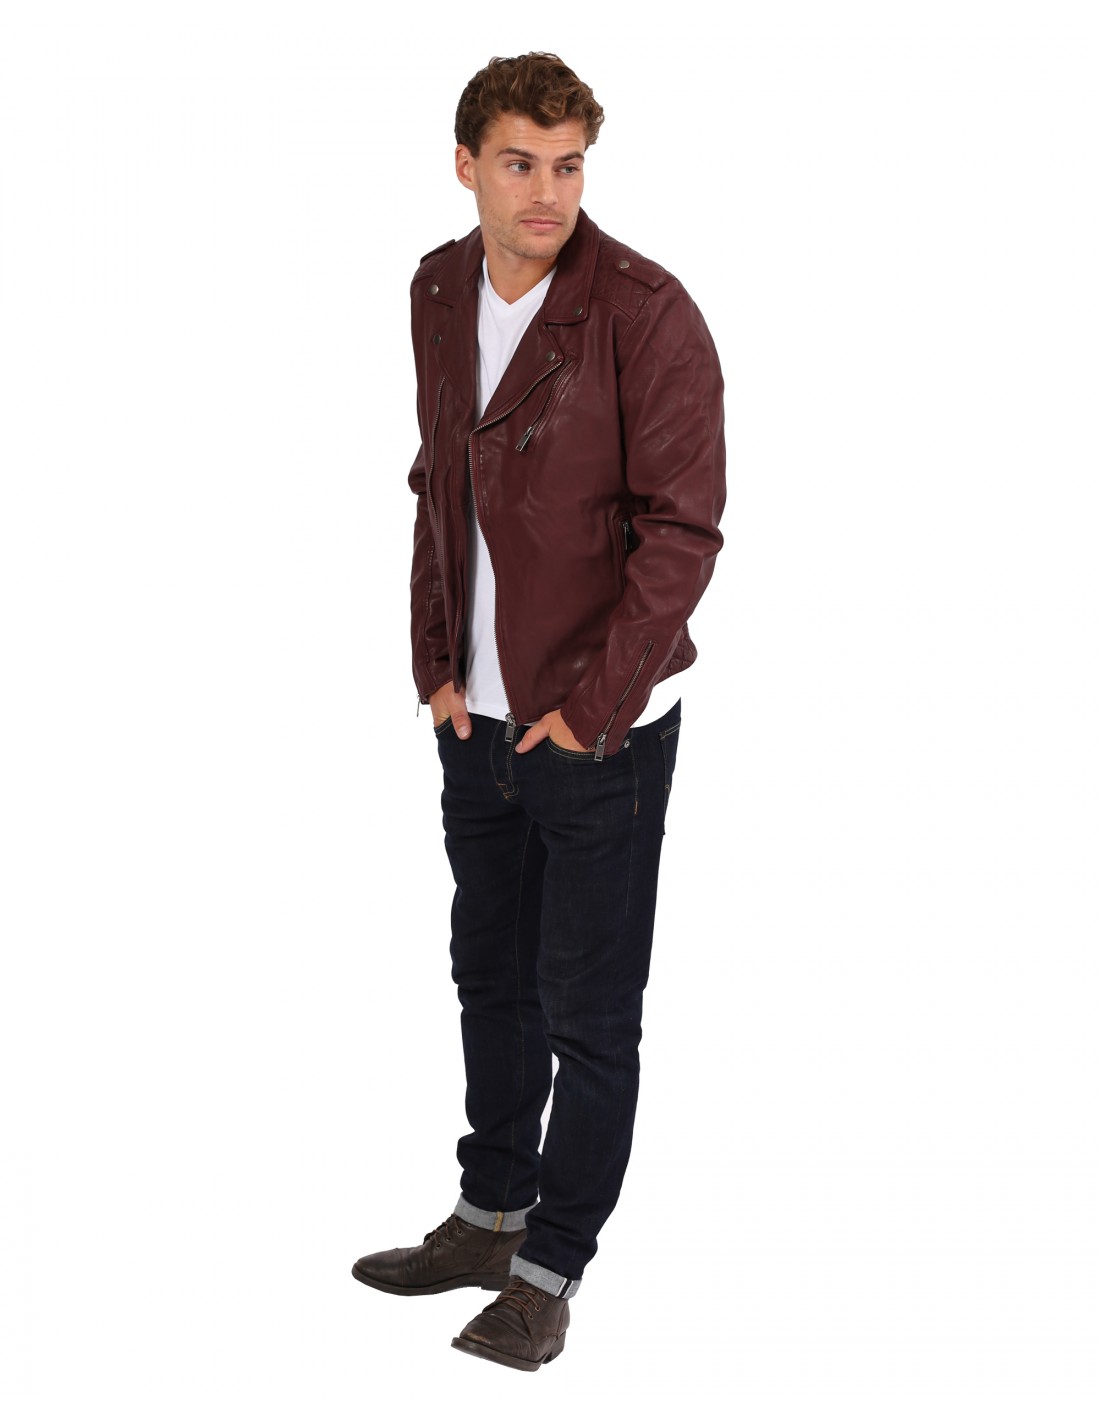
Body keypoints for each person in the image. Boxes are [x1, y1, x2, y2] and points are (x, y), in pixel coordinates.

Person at [353, 51, 725, 1372]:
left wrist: (587, 710)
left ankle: (549, 1267)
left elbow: (683, 531)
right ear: (467, 164)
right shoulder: (437, 288)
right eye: (520, 162)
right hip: (479, 721)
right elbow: (434, 480)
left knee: (588, 1007)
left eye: (569, 165)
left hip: (598, 728)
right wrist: (436, 665)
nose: (548, 193)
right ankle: (488, 1214)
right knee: (492, 980)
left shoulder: (644, 312)